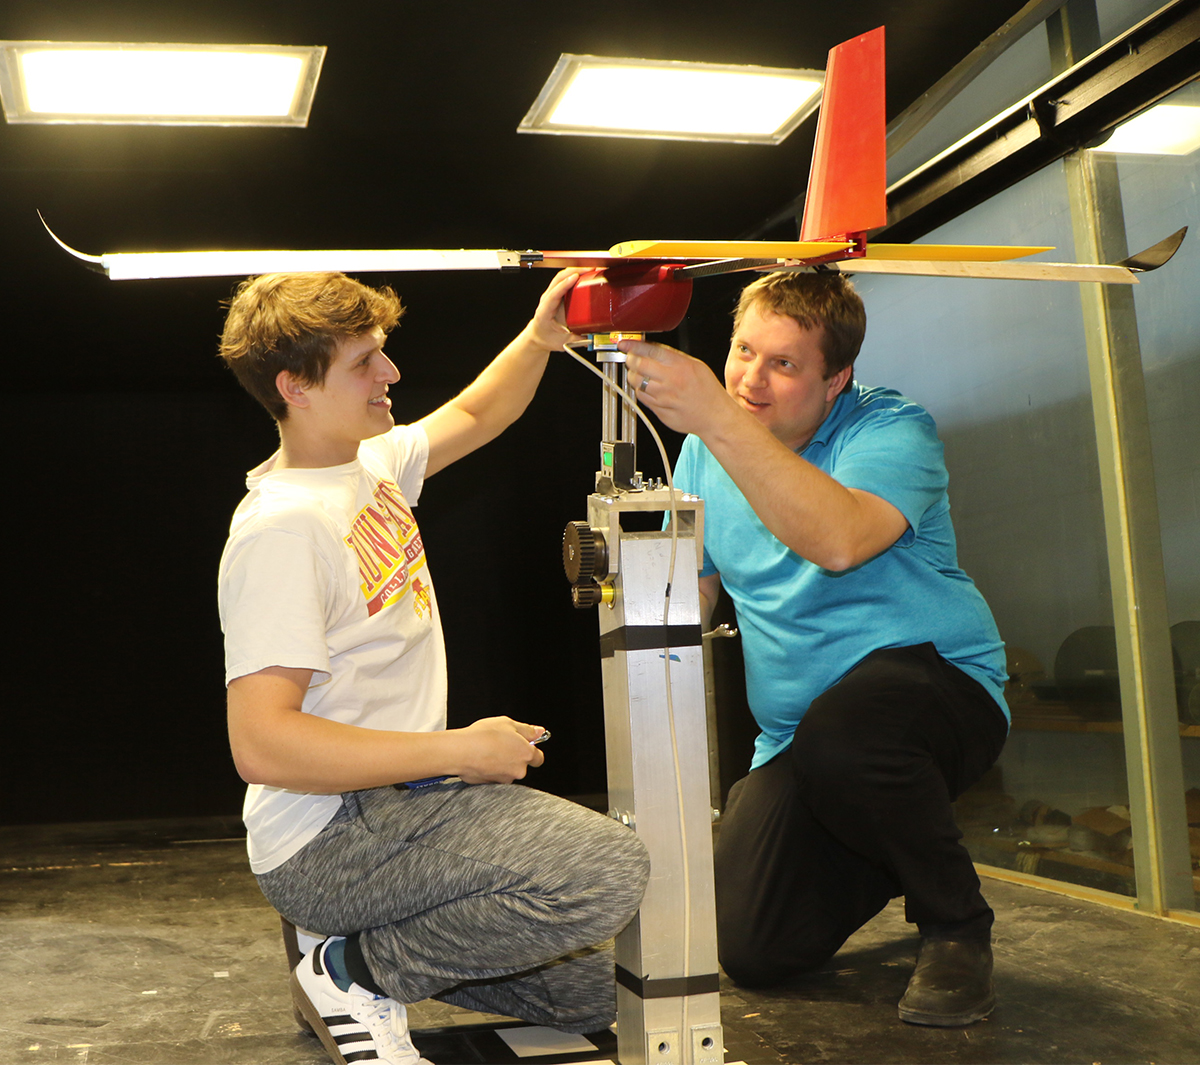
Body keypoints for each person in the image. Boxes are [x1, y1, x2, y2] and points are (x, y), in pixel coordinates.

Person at [216, 269, 650, 1065]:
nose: (392, 375)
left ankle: (355, 946)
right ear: (295, 387)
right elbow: (263, 744)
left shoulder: (366, 462)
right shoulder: (280, 531)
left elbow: (480, 412)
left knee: (600, 989)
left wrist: (540, 336)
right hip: (333, 834)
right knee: (608, 872)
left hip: (399, 806)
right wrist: (460, 749)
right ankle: (350, 968)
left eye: (384, 354)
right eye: (364, 363)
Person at [619, 270, 1009, 1027]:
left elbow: (838, 540)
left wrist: (716, 420)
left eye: (783, 364)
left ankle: (957, 925)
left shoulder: (892, 429)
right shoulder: (704, 454)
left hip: (937, 693)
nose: (748, 380)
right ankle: (887, 833)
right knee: (756, 948)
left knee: (851, 732)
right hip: (802, 740)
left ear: (838, 378)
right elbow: (695, 591)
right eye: (741, 352)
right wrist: (632, 595)